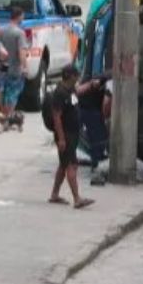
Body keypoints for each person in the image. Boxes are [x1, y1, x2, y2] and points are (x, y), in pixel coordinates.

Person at [49, 65, 97, 209]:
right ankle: (77, 199)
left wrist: (91, 85)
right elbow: (56, 117)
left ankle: (54, 194)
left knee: (63, 165)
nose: (77, 79)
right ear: (70, 76)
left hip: (72, 133)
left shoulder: (69, 90)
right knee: (71, 165)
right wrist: (62, 139)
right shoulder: (59, 93)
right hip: (65, 135)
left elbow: (78, 92)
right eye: (76, 76)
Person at [0, 7, 29, 122]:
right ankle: (8, 118)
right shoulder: (19, 33)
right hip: (14, 69)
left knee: (1, 93)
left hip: (1, 68)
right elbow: (22, 52)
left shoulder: (1, 30)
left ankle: (1, 116)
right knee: (12, 94)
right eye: (23, 16)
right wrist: (24, 67)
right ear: (19, 16)